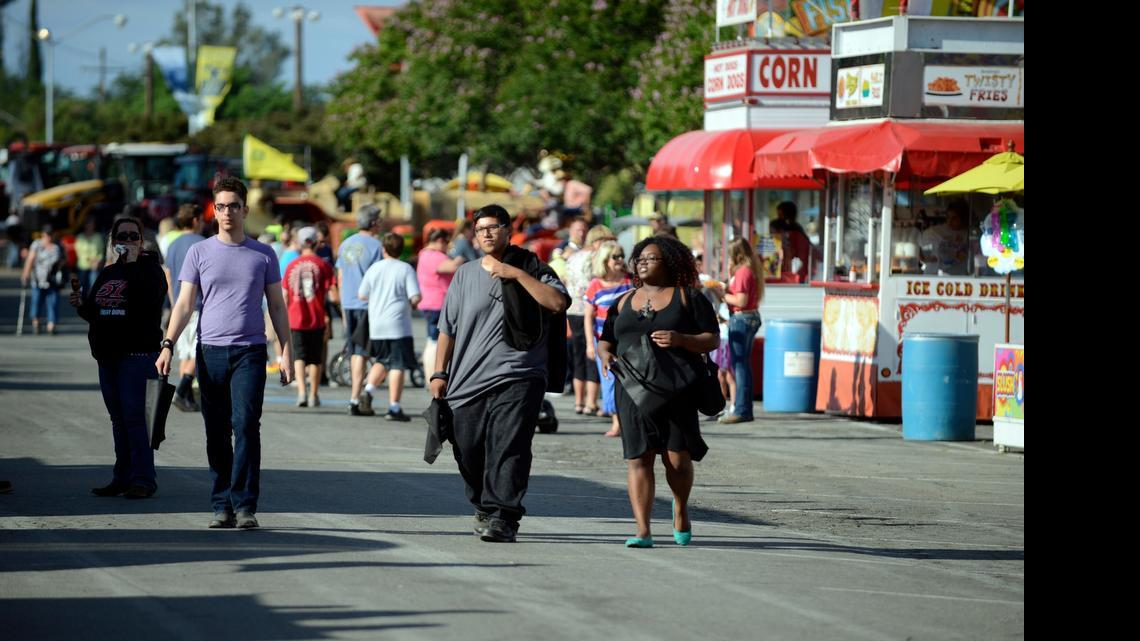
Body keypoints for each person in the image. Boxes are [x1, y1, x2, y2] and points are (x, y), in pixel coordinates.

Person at [157, 176, 293, 530]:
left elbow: (277, 306)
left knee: (246, 425)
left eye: (234, 205)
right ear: (213, 211)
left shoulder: (263, 254)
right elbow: (184, 304)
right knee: (216, 431)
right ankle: (222, 504)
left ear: (245, 209)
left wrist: (287, 351)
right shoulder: (198, 252)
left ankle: (245, 504)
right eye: (221, 206)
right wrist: (168, 345)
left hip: (249, 350)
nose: (228, 212)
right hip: (210, 351)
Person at [431, 204, 570, 543]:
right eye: (481, 229)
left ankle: (504, 515)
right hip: (467, 380)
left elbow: (557, 303)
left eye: (494, 227)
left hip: (520, 374)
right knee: (468, 447)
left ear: (508, 230)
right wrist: (439, 373)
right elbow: (447, 328)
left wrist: (516, 275)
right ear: (475, 235)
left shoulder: (532, 267)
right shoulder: (464, 274)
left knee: (509, 446)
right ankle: (483, 503)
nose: (488, 233)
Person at [597, 235, 719, 548]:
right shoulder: (623, 301)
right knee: (639, 458)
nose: (643, 262)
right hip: (632, 391)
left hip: (675, 390)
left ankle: (680, 507)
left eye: (652, 258)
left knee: (677, 459)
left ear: (670, 261)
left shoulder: (688, 297)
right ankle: (642, 530)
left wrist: (682, 340)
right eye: (640, 258)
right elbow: (606, 338)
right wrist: (606, 355)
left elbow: (712, 339)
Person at [71, 215, 167, 499]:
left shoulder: (151, 271)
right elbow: (95, 314)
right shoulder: (109, 272)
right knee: (118, 419)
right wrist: (81, 305)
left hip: (137, 356)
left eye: (132, 236)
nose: (127, 242)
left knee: (137, 419)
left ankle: (143, 479)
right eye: (121, 237)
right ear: (113, 242)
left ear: (142, 240)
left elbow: (146, 304)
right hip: (108, 357)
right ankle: (122, 477)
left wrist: (135, 262)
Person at [357, 232, 420, 422]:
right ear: (401, 250)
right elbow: (415, 296)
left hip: (377, 324)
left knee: (381, 360)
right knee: (397, 365)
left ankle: (368, 390)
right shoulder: (405, 269)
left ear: (383, 249)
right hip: (398, 324)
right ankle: (394, 406)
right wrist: (412, 303)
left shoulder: (374, 269)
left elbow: (362, 294)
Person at [336, 205, 385, 415]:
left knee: (356, 353)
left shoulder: (346, 244)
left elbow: (339, 275)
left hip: (348, 303)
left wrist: (341, 303)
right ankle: (359, 397)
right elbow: (380, 277)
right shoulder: (376, 246)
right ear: (373, 222)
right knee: (370, 354)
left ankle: (355, 397)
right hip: (367, 305)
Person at [711, 238, 764, 424]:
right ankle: (744, 408)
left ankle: (741, 409)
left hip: (742, 319)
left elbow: (740, 301)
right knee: (743, 366)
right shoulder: (750, 270)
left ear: (736, 254)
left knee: (739, 367)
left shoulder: (742, 272)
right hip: (749, 318)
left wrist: (721, 295)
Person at [564, 224, 615, 416]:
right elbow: (597, 283)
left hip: (573, 309)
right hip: (591, 309)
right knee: (592, 354)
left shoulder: (573, 256)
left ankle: (579, 402)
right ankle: (591, 402)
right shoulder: (595, 258)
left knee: (578, 357)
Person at [283, 226, 337, 408]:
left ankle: (301, 393)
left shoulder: (291, 266)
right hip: (317, 316)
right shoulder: (324, 265)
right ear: (316, 242)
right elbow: (333, 294)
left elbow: (284, 294)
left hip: (295, 317)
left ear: (299, 243)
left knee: (299, 356)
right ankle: (314, 394)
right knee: (315, 358)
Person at [583, 240, 632, 437]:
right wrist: (589, 344)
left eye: (622, 255)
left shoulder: (630, 281)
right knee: (610, 380)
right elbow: (588, 316)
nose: (620, 260)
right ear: (605, 260)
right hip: (603, 341)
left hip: (627, 340)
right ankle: (616, 422)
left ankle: (627, 422)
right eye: (615, 257)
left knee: (628, 380)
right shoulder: (595, 285)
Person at [164, 204, 207, 412]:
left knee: (185, 353)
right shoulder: (203, 243)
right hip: (199, 303)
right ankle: (181, 390)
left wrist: (173, 302)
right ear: (196, 220)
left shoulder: (173, 244)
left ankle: (187, 398)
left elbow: (168, 274)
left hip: (179, 304)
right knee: (199, 352)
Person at [416, 228, 465, 389]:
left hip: (430, 303)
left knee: (432, 341)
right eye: (447, 243)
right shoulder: (434, 256)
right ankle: (432, 376)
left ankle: (430, 375)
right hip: (438, 303)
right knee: (435, 342)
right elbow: (450, 267)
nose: (448, 247)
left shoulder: (423, 254)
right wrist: (460, 257)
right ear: (439, 241)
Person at [20, 225, 65, 335]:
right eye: (46, 235)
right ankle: (36, 324)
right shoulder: (37, 244)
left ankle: (51, 326)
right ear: (43, 235)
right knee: (36, 302)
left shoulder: (57, 246)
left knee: (53, 303)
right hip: (38, 279)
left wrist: (60, 267)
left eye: (50, 234)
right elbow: (30, 259)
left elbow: (63, 261)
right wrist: (25, 274)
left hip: (52, 280)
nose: (48, 237)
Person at [920, 199, 970, 275]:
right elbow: (921, 254)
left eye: (954, 218)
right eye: (948, 217)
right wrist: (926, 258)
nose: (949, 221)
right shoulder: (933, 232)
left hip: (960, 279)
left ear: (964, 218)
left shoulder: (971, 234)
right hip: (933, 278)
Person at [771, 201, 817, 281]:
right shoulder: (798, 232)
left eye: (781, 216)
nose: (780, 219)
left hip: (795, 275)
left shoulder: (796, 235)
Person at [73, 217, 105, 296]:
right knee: (82, 290)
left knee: (94, 289)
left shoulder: (97, 236)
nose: (91, 226)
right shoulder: (80, 237)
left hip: (94, 267)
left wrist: (98, 260)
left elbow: (101, 251)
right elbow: (78, 252)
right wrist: (90, 260)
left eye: (92, 224)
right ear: (85, 226)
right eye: (89, 224)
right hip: (83, 266)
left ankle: (92, 306)